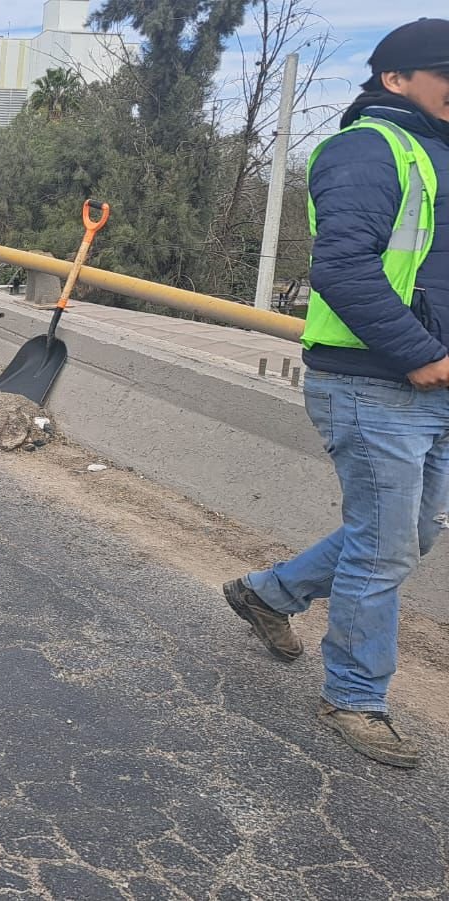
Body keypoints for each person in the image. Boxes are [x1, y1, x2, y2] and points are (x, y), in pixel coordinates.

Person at [223, 17, 449, 769]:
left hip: (429, 383)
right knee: (384, 549)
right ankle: (354, 696)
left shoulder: (438, 154)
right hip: (375, 382)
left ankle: (268, 593)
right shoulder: (367, 150)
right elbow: (344, 269)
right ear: (396, 79)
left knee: (410, 536)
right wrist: (421, 354)